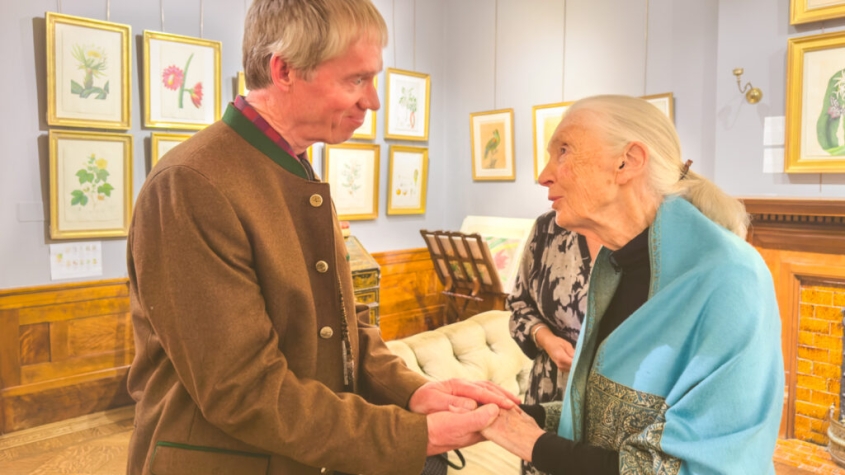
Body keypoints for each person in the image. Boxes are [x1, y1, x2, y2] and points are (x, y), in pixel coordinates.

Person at [125, 1, 518, 474]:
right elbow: (241, 390)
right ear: (284, 70)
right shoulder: (192, 183)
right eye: (356, 79)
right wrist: (411, 434)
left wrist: (413, 391)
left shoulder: (291, 168)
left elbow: (344, 329)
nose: (372, 101)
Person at [481, 95, 784, 474]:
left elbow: (692, 467)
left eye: (563, 150)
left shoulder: (731, 279)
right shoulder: (617, 264)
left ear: (627, 161)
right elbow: (609, 419)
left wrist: (533, 443)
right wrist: (512, 415)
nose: (543, 174)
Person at [508, 213, 601, 475]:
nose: (545, 176)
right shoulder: (548, 228)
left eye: (565, 167)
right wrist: (546, 339)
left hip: (612, 402)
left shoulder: (648, 234)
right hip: (549, 388)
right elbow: (518, 304)